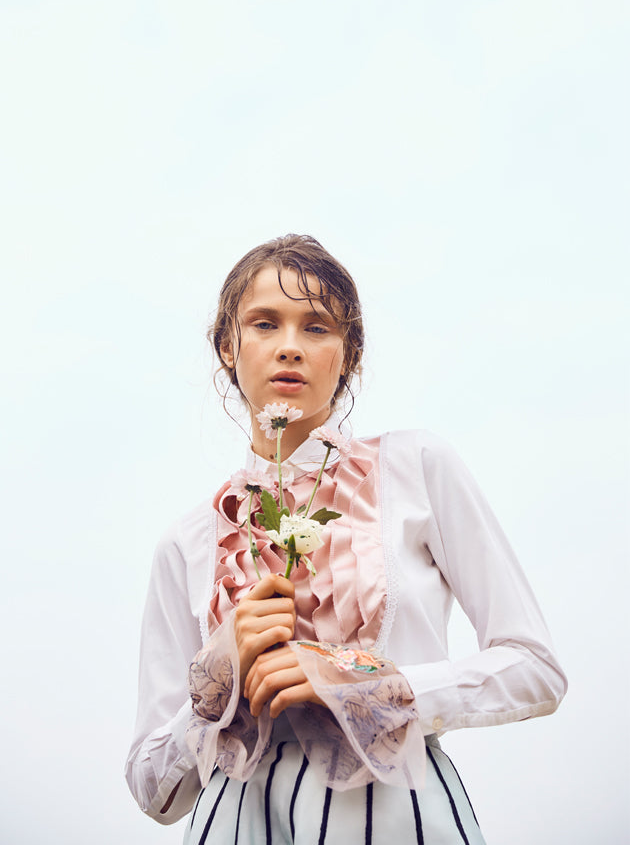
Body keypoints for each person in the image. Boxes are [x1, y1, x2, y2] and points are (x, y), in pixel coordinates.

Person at [126, 234, 567, 843]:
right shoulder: (188, 540)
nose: (289, 347)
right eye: (264, 323)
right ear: (229, 346)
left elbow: (535, 668)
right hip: (234, 825)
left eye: (317, 327)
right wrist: (221, 674)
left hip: (396, 816)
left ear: (348, 353)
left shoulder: (417, 468)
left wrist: (377, 685)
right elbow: (154, 790)